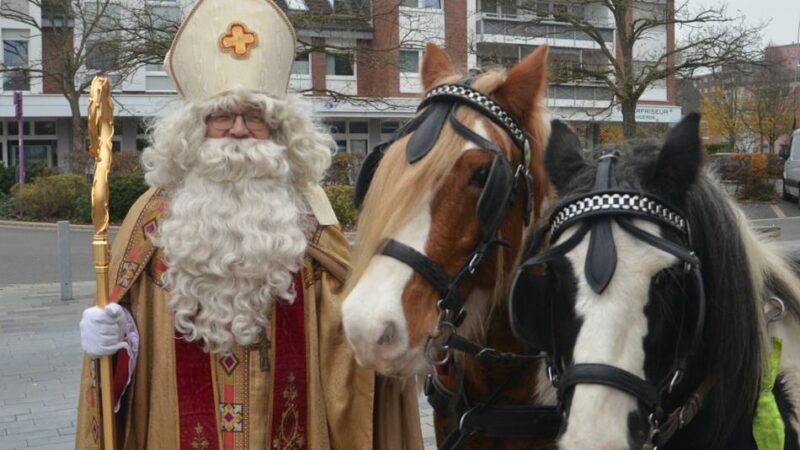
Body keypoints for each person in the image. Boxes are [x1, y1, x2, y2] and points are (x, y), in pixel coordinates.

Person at [74, 0, 423, 448]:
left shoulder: (311, 219)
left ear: (280, 131)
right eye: (223, 116)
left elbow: (348, 343)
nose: (238, 130)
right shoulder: (153, 219)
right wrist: (118, 341)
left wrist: (392, 321)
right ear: (195, 129)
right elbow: (131, 348)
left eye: (255, 117)